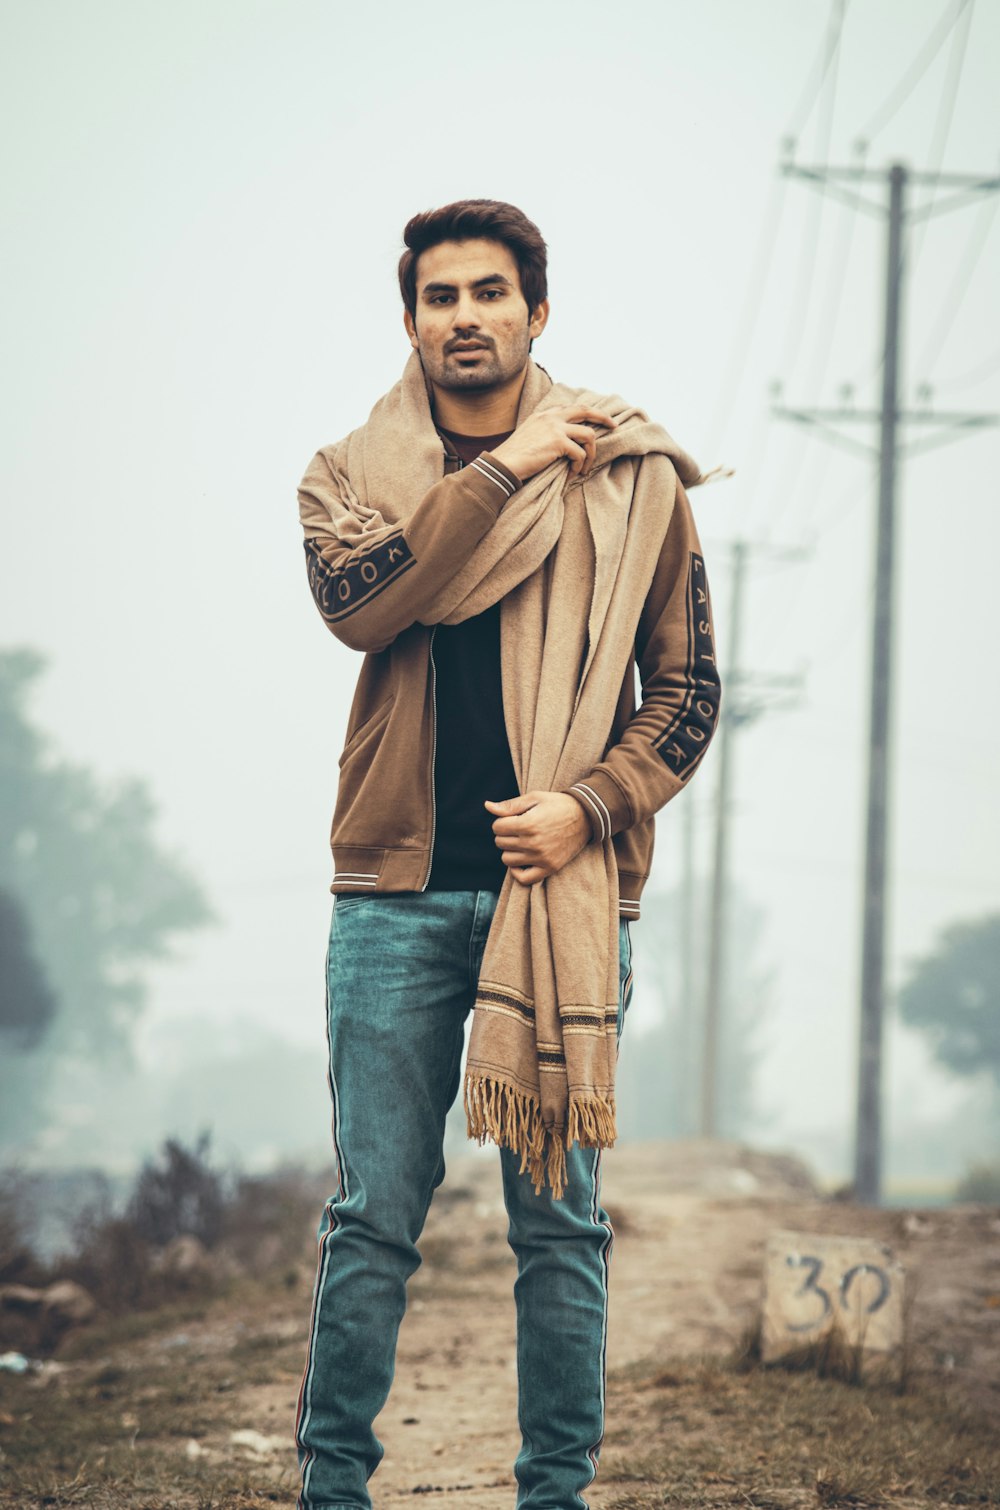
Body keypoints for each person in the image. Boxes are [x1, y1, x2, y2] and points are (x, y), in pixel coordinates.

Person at [294, 199, 721, 1510]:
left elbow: (690, 688)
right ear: (412, 320)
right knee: (374, 1209)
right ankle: (332, 1487)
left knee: (560, 1221)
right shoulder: (350, 478)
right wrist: (505, 467)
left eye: (492, 293)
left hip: (561, 891)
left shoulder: (630, 474)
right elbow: (367, 609)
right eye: (441, 296)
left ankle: (555, 1493)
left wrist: (588, 805)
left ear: (539, 312)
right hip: (395, 895)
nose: (466, 316)